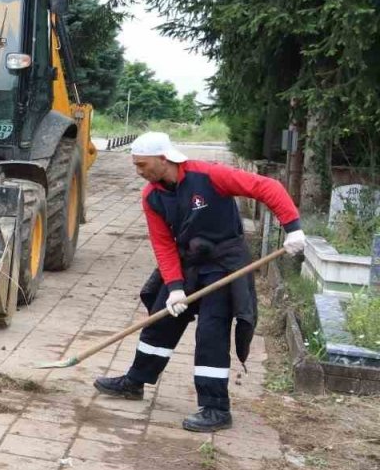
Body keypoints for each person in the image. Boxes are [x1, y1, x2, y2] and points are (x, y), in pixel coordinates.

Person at [94, 132, 306, 432]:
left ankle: (216, 407)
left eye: (142, 165)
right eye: (136, 165)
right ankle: (135, 382)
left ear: (163, 159)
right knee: (160, 321)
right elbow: (163, 243)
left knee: (211, 332)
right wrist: (175, 288)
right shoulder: (151, 196)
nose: (138, 172)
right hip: (187, 262)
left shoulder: (209, 175)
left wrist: (293, 228)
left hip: (223, 265)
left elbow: (267, 186)